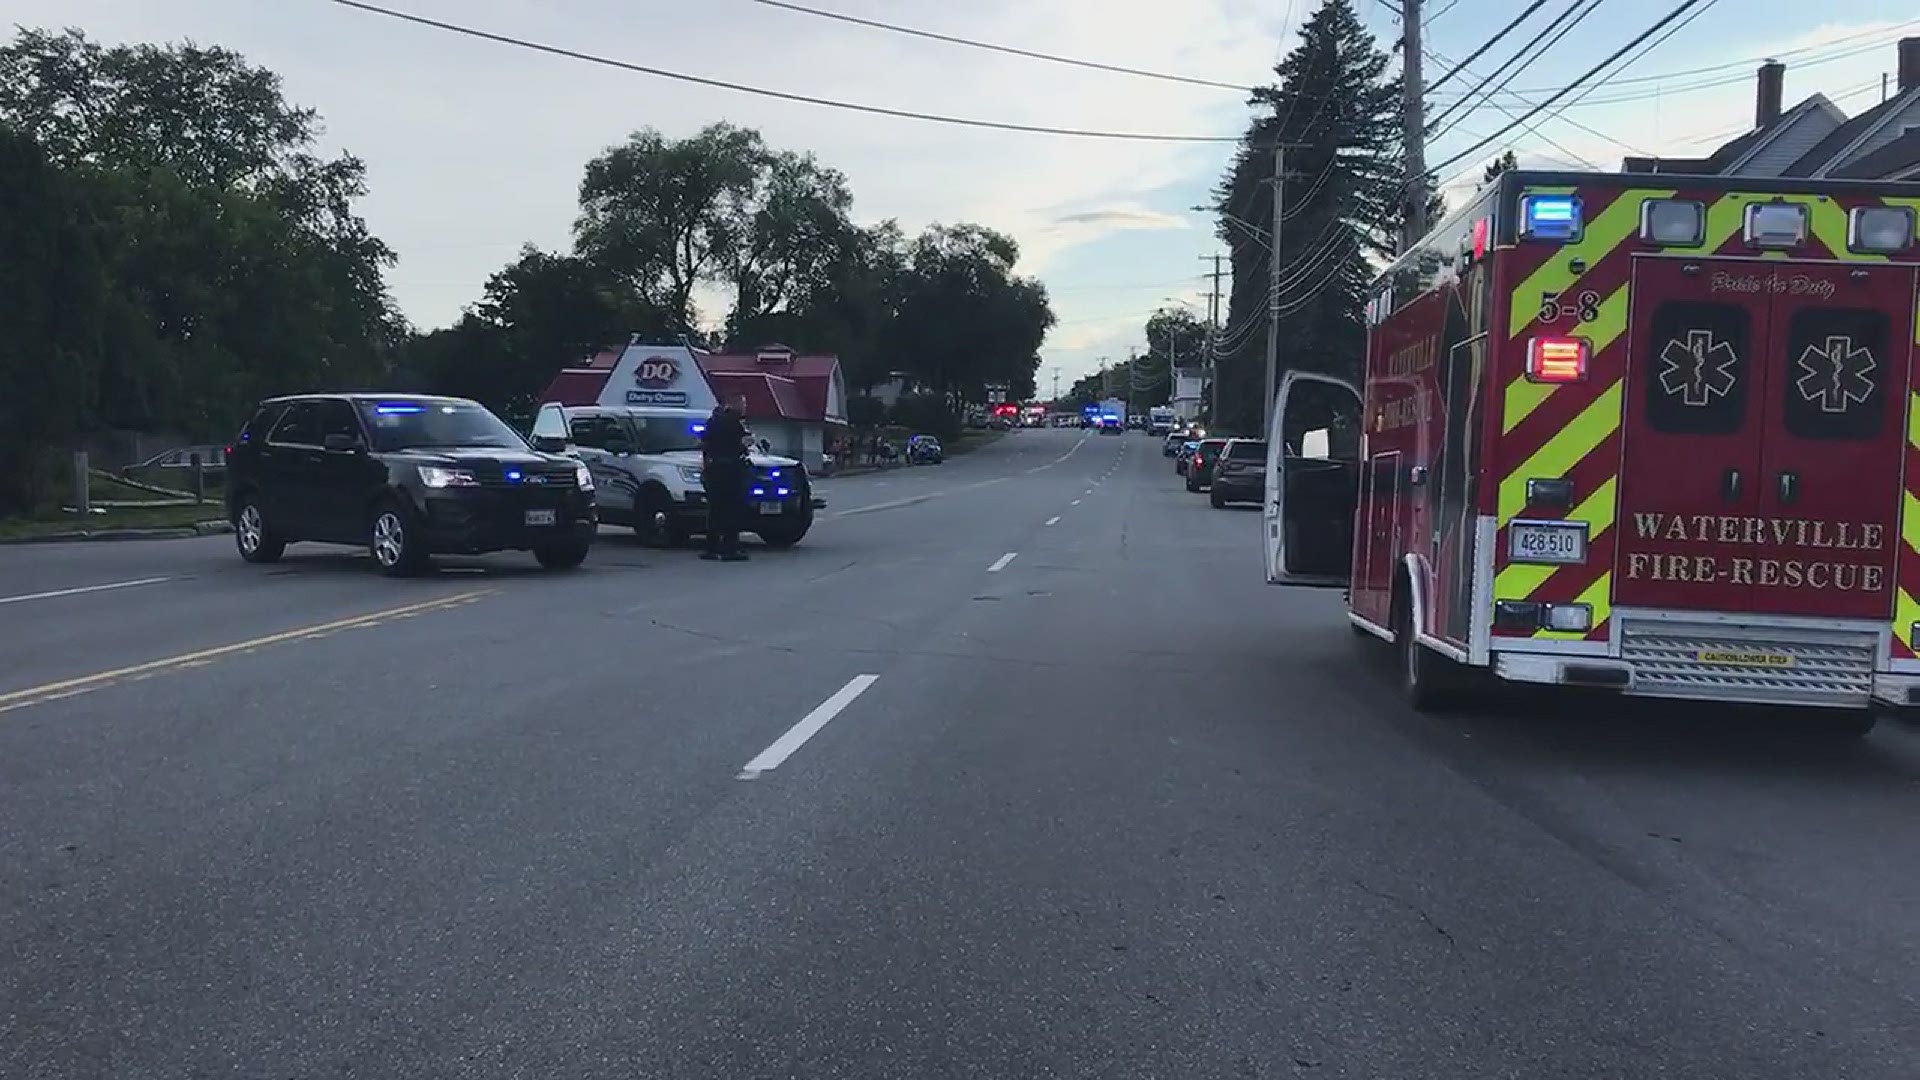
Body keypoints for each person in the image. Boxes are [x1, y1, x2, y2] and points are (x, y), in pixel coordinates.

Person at [699, 400, 752, 562]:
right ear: (732, 403)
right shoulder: (734, 424)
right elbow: (741, 445)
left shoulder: (713, 422)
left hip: (714, 469)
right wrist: (747, 443)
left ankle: (712, 547)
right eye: (742, 402)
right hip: (730, 470)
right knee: (732, 509)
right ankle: (730, 548)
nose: (745, 406)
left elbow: (704, 444)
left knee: (715, 509)